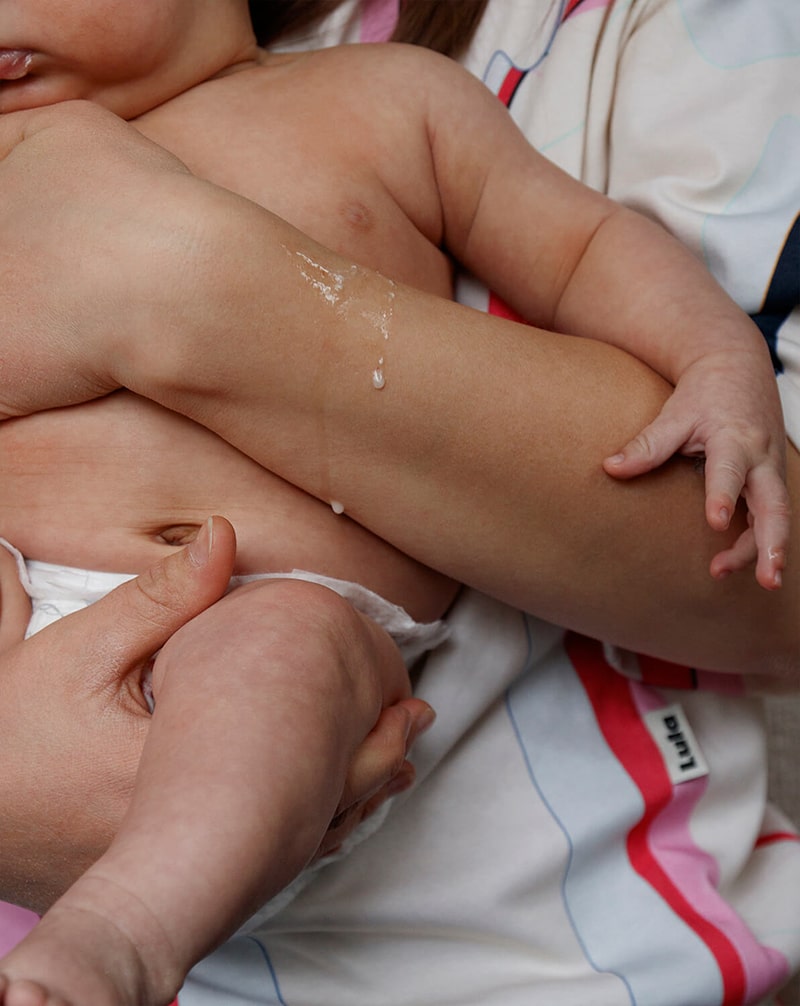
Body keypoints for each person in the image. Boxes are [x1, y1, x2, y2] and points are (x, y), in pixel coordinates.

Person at [0, 2, 798, 1005]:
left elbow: (582, 250)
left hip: (267, 610)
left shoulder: (384, 103)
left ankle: (121, 937)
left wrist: (715, 357)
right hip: (24, 621)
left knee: (279, 656)